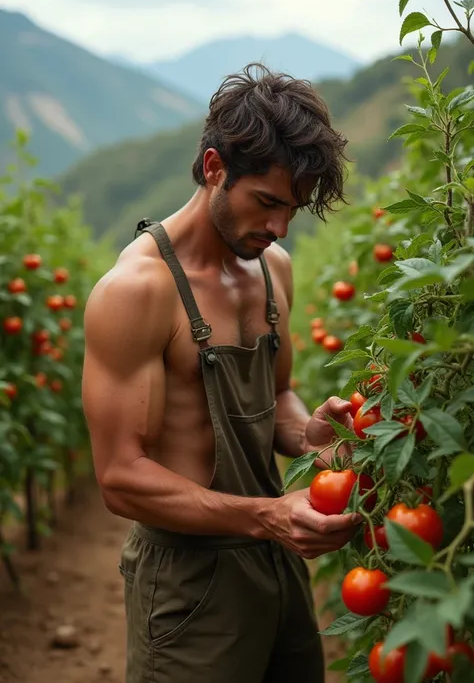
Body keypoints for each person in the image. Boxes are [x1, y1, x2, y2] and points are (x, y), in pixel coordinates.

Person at [82, 62, 360, 683]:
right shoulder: (136, 291)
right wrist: (267, 514)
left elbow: (279, 395)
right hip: (189, 587)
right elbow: (119, 479)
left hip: (276, 566)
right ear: (214, 168)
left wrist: (307, 433)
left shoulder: (272, 269)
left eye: (292, 210)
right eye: (265, 203)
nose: (279, 228)